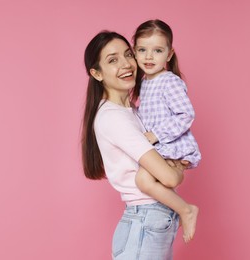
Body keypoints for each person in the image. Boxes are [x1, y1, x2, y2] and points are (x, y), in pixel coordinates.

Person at [81, 31, 189, 259]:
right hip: (145, 221)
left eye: (128, 54)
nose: (126, 64)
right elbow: (169, 178)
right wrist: (178, 170)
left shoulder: (132, 112)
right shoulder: (113, 117)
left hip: (151, 221)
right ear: (96, 73)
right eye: (112, 60)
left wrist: (173, 167)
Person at [132, 19, 201, 243]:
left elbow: (186, 114)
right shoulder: (143, 82)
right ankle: (178, 211)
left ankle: (187, 210)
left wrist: (156, 135)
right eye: (142, 50)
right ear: (134, 52)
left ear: (169, 55)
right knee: (149, 187)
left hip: (170, 145)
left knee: (144, 181)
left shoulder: (169, 81)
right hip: (157, 148)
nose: (149, 57)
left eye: (157, 50)